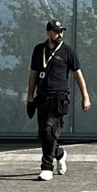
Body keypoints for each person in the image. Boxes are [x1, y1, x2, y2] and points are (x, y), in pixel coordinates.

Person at [26, 18, 90, 181]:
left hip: (59, 97)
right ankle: (60, 153)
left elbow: (78, 74)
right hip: (42, 97)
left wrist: (85, 96)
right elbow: (33, 73)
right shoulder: (38, 50)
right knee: (43, 134)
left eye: (61, 31)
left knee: (49, 130)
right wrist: (30, 96)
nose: (59, 34)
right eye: (56, 31)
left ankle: (46, 168)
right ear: (48, 33)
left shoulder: (68, 51)